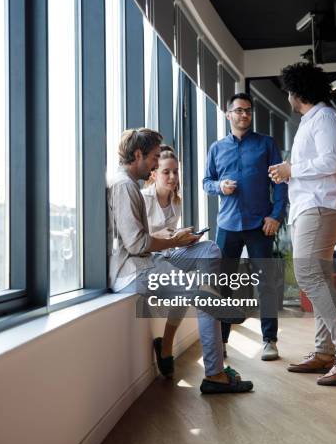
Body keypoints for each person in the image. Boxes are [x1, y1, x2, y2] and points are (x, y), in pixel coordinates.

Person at [107, 128, 253, 394]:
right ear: (137, 155)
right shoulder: (126, 186)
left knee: (209, 253)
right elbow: (138, 243)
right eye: (153, 158)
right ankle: (215, 369)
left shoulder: (129, 185)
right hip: (132, 272)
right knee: (202, 292)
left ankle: (214, 359)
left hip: (146, 263)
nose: (154, 164)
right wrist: (173, 241)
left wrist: (177, 239)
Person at [268, 62, 336, 385]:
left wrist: (292, 170)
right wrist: (288, 170)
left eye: (288, 91)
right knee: (320, 276)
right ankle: (325, 352)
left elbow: (330, 161)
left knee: (309, 274)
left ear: (297, 92)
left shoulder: (325, 118)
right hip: (316, 207)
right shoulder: (316, 119)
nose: (287, 96)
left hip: (321, 208)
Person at [203, 93, 288, 361]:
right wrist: (220, 187)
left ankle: (269, 340)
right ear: (229, 115)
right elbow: (206, 182)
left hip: (259, 224)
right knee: (224, 284)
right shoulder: (216, 148)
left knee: (266, 284)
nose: (244, 115)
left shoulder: (266, 144)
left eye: (248, 111)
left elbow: (280, 183)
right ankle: (223, 341)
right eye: (239, 111)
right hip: (227, 225)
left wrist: (276, 215)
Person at [141, 145, 235, 379]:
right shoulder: (143, 200)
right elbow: (139, 241)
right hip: (148, 259)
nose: (172, 177)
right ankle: (167, 345)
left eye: (175, 172)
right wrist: (172, 239)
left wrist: (185, 239)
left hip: (169, 253)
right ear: (153, 173)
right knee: (189, 287)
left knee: (211, 248)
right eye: (166, 172)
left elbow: (170, 240)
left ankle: (211, 297)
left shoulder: (175, 201)